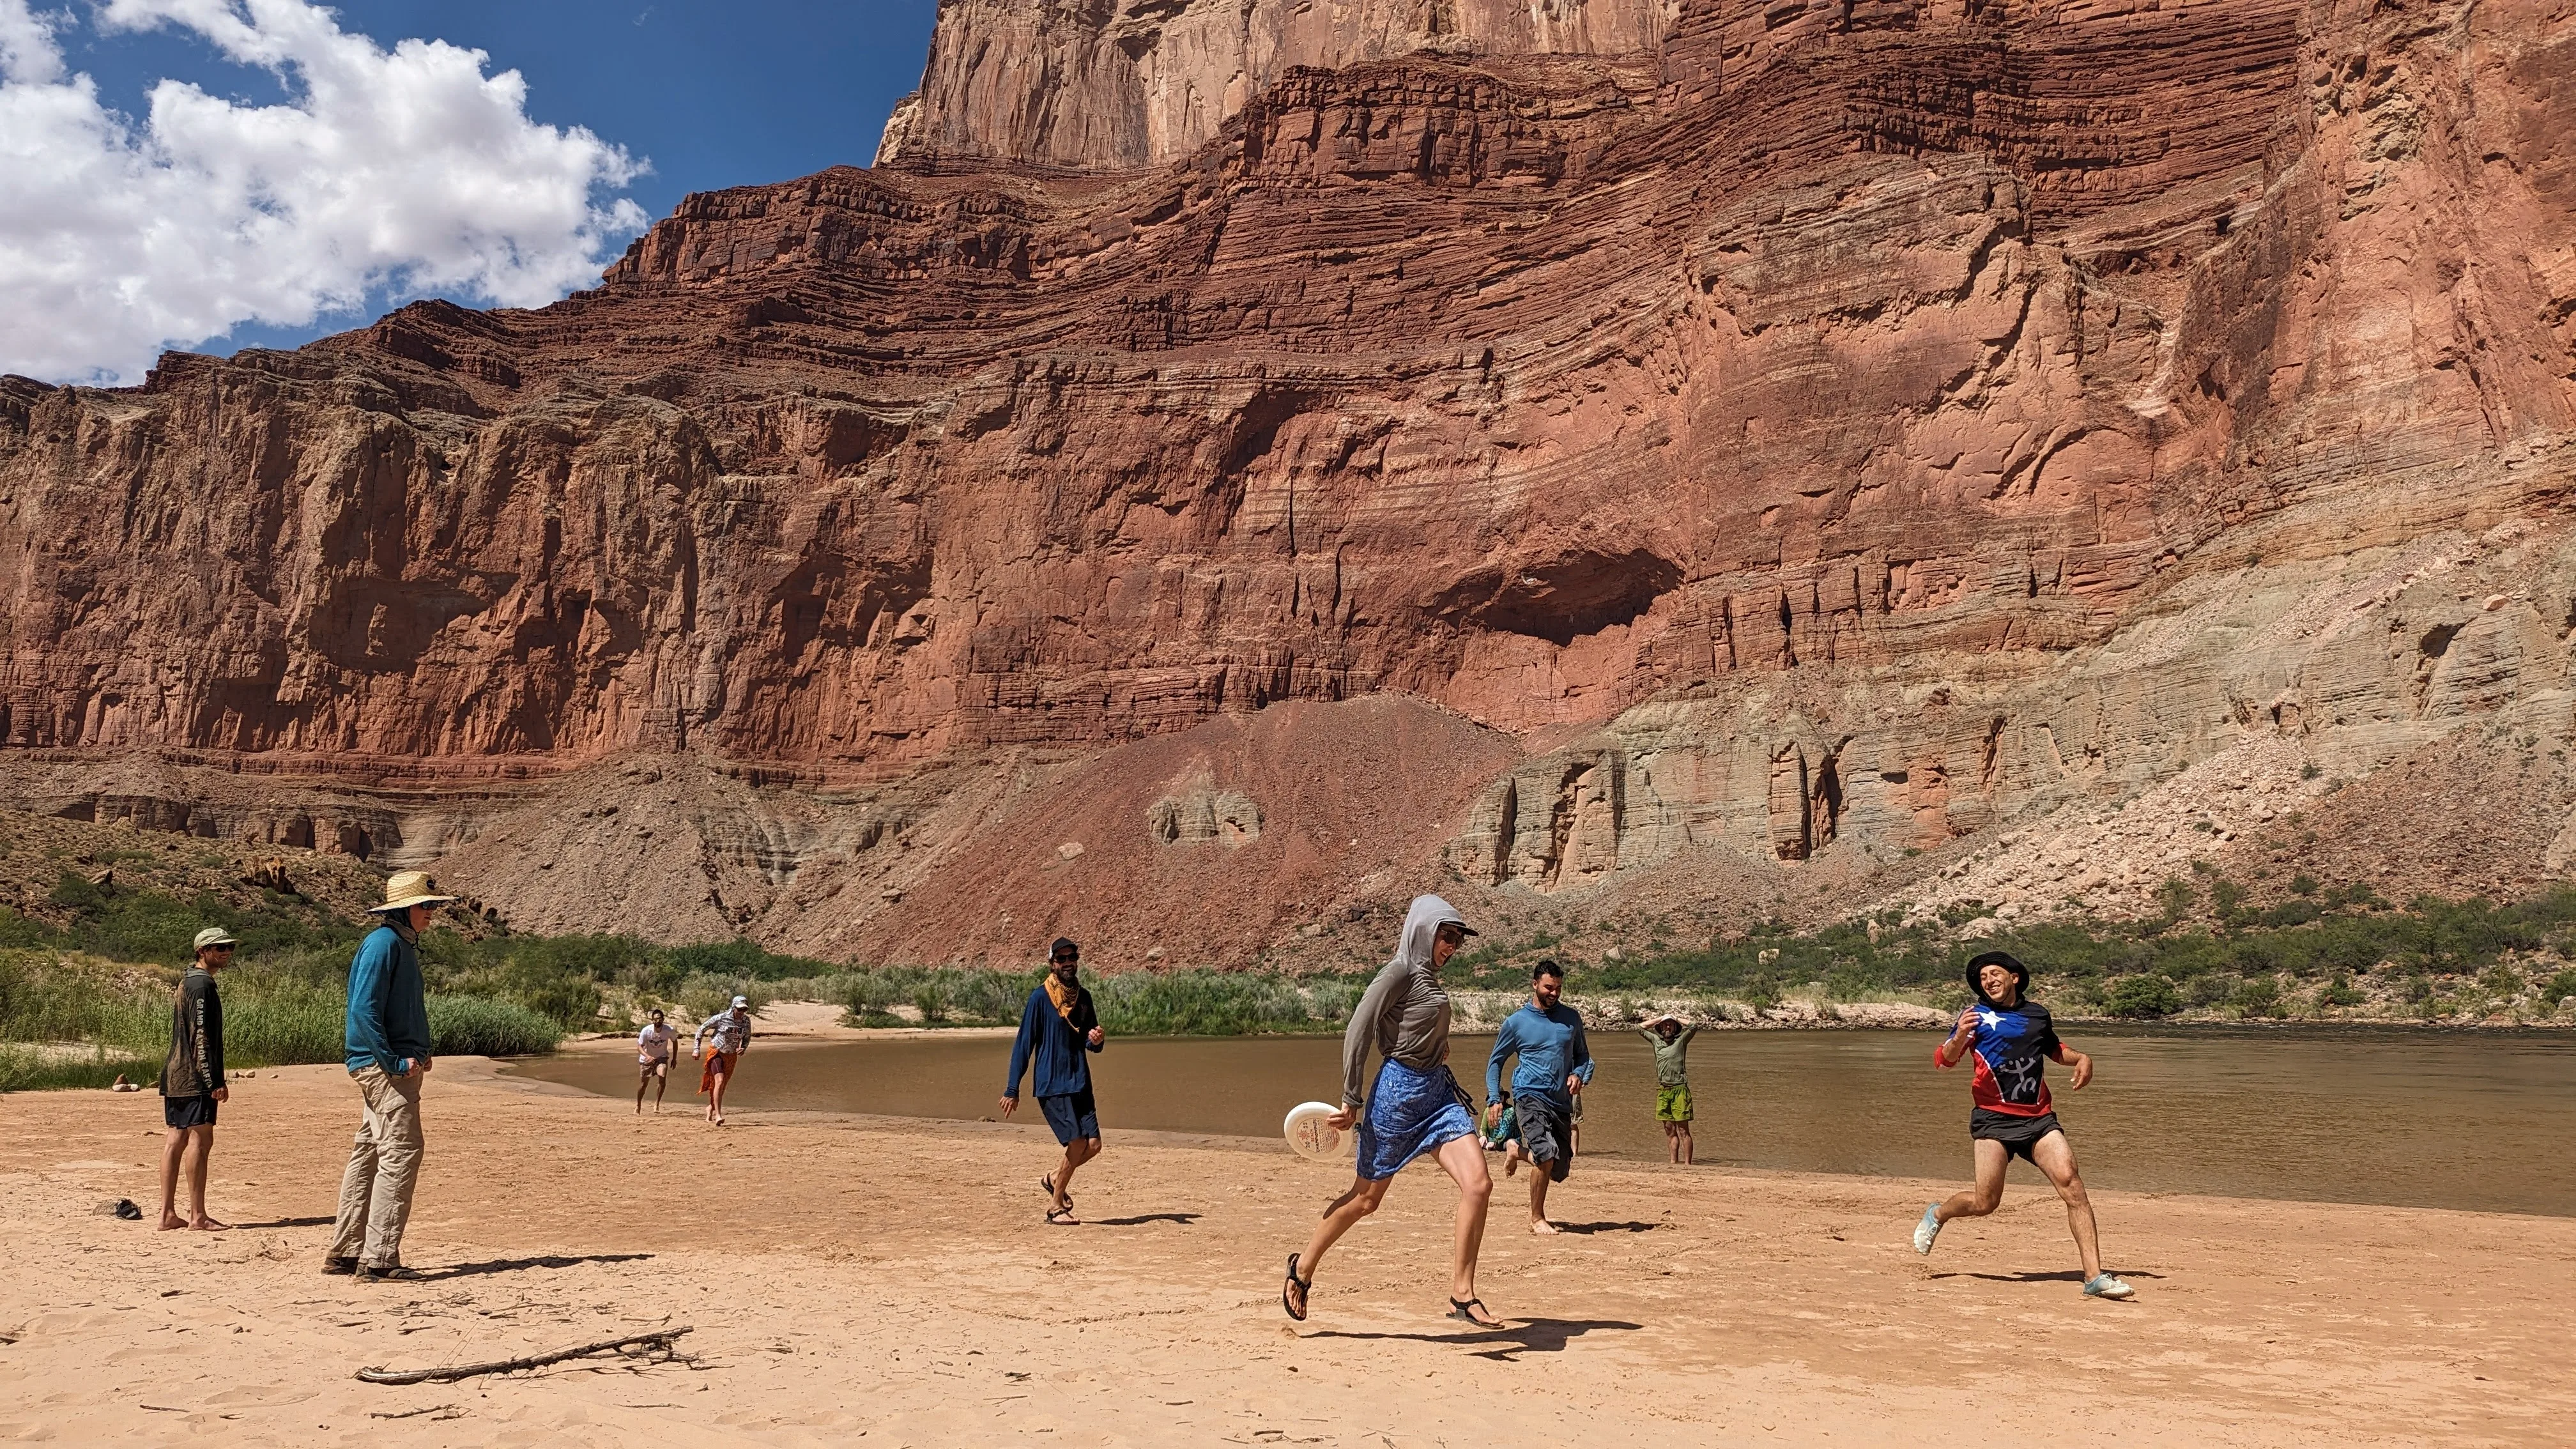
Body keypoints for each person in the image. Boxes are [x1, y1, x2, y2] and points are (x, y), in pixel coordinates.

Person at [1283, 896, 1499, 1328]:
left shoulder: (1430, 979)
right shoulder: (1398, 972)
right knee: (1366, 1200)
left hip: (1437, 1093)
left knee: (1479, 1185)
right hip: (1397, 1098)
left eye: (1457, 939)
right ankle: (1302, 1267)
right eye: (1446, 936)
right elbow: (1359, 1028)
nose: (1452, 947)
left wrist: (1437, 1047)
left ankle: (1462, 1292)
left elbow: (1418, 1027)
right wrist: (1351, 1098)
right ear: (1423, 931)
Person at [1913, 950, 2135, 1301]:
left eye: (1995, 973)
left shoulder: (2037, 1015)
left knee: (2073, 1187)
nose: (1988, 981)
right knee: (1986, 1202)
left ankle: (2094, 1277)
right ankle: (1938, 1213)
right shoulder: (1974, 1017)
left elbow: (2054, 1049)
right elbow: (1944, 1062)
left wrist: (2083, 1059)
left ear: (2014, 977)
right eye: (1983, 977)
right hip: (1992, 1120)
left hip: (2038, 1118)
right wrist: (1958, 1038)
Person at [328, 871, 452, 1283]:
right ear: (407, 909)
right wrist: (396, 1062)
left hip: (386, 1065)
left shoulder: (393, 945)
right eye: (428, 907)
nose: (432, 915)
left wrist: (416, 1052)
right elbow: (364, 1010)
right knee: (400, 1154)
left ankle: (346, 1252)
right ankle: (379, 1258)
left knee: (368, 1154)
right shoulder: (384, 945)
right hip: (386, 1070)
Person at [1000, 938, 1105, 1225]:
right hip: (1052, 1082)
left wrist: (1097, 1040)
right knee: (1076, 1141)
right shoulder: (1039, 998)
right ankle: (1055, 1207)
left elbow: (1090, 1040)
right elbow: (1024, 1044)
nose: (1068, 962)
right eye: (1061, 959)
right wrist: (1013, 1088)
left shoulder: (1084, 997)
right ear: (1052, 964)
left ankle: (1054, 1178)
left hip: (1080, 1080)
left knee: (1093, 1145)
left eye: (1072, 957)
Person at [1485, 959, 1592, 1234]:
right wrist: (1494, 1098)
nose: (1553, 993)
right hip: (1529, 1095)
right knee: (1545, 1155)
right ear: (1534, 984)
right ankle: (1537, 1219)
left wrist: (1578, 1074)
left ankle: (1516, 1150)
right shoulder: (1517, 1022)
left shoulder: (1571, 1018)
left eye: (1558, 988)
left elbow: (1582, 1055)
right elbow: (1496, 1061)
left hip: (1560, 1101)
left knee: (1558, 1169)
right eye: (1548, 987)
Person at [156, 926, 235, 1232]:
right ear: (202, 951)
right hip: (193, 1077)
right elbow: (201, 1036)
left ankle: (167, 1215)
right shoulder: (202, 985)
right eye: (219, 948)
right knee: (201, 1140)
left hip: (176, 1073)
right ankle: (197, 1216)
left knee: (176, 1137)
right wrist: (213, 1079)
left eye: (229, 948)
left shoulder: (188, 980)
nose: (226, 952)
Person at [1639, 1014, 1698, 1165]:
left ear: (1675, 1028)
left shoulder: (1681, 1041)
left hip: (1680, 1090)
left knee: (1684, 1130)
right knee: (1669, 1130)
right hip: (1664, 1091)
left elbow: (1694, 1026)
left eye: (1671, 1025)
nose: (1668, 1027)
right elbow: (1640, 1027)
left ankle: (1687, 1165)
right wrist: (1661, 1019)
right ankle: (1673, 1163)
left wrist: (1675, 1018)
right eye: (1665, 1025)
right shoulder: (1656, 1041)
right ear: (1660, 1028)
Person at [694, 997, 754, 1125]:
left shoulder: (746, 1022)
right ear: (733, 1007)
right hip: (717, 1051)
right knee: (719, 1081)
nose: (742, 1012)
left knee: (722, 1086)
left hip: (731, 1056)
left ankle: (711, 1108)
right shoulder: (721, 1018)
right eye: (739, 1009)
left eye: (744, 1009)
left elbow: (747, 1037)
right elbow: (701, 1029)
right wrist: (696, 1049)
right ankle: (718, 1116)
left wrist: (743, 1048)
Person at [636, 1009, 678, 1113]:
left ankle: (657, 1105)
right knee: (644, 1085)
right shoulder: (646, 1031)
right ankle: (638, 1105)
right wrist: (647, 1056)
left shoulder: (669, 1030)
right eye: (655, 1019)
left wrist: (674, 1059)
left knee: (662, 1077)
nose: (657, 1021)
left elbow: (675, 1043)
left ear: (663, 1019)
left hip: (661, 1057)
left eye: (660, 1019)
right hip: (647, 1059)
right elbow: (639, 1047)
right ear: (652, 1020)